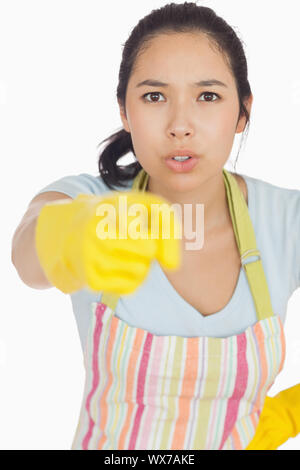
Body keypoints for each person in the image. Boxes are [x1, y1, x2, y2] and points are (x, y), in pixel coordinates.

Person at [11, 2, 300, 450]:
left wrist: (288, 413)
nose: (180, 125)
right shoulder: (89, 202)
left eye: (208, 96)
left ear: (243, 112)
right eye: (154, 96)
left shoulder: (286, 220)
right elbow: (26, 256)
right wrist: (68, 235)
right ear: (124, 112)